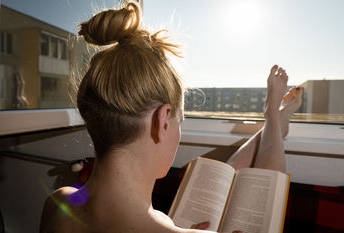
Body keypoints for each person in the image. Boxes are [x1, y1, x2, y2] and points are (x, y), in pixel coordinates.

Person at [39, 2, 302, 233]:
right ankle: (273, 120)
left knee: (225, 178)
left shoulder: (59, 204)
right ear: (162, 121)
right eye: (180, 121)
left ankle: (273, 121)